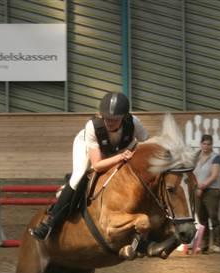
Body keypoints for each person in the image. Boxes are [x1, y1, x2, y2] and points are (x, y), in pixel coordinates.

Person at [30, 92, 149, 240]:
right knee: (79, 175)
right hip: (89, 148)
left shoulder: (134, 122)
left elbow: (146, 144)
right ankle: (50, 223)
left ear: (124, 118)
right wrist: (121, 157)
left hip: (119, 149)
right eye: (106, 118)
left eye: (114, 119)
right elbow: (98, 165)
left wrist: (132, 154)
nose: (109, 122)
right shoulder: (93, 127)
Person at [193, 134, 220, 253]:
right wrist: (196, 187)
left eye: (208, 144)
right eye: (204, 143)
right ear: (200, 144)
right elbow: (192, 173)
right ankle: (204, 244)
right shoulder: (196, 156)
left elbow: (214, 175)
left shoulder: (216, 157)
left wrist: (202, 186)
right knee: (202, 219)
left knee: (213, 216)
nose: (206, 146)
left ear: (212, 145)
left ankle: (218, 243)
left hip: (212, 191)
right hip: (197, 191)